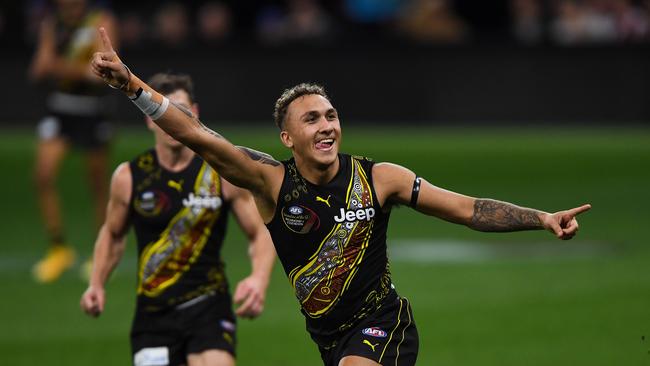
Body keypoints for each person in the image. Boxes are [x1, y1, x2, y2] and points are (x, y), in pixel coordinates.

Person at [91, 28, 591, 366]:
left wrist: (542, 218)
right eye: (312, 119)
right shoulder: (270, 183)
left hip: (383, 324)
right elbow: (202, 137)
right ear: (287, 138)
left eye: (331, 115)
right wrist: (132, 85)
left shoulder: (381, 178)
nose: (327, 125)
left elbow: (466, 210)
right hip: (328, 339)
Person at [79, 72, 276, 366]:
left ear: (194, 114)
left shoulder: (221, 173)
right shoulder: (130, 176)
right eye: (163, 110)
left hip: (209, 306)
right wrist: (96, 283)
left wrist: (258, 279)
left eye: (180, 111)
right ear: (149, 117)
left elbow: (260, 230)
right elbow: (113, 234)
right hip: (154, 314)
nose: (172, 119)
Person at [29, 0, 117, 283]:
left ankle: (100, 252)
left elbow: (103, 73)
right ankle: (58, 249)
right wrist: (71, 68)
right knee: (43, 176)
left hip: (91, 110)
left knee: (97, 184)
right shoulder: (52, 25)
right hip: (60, 108)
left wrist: (57, 66)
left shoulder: (99, 21)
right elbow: (38, 70)